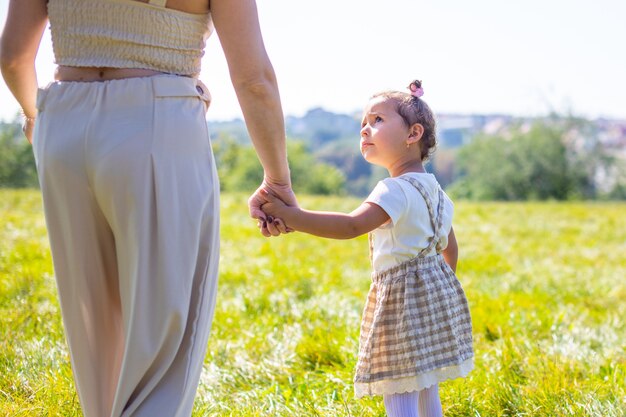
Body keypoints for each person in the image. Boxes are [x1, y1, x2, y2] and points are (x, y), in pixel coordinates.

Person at [0, 0, 295, 415]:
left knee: (96, 335)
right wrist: (277, 179)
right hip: (158, 117)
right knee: (165, 345)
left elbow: (13, 56)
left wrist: (37, 118)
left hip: (62, 122)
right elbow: (253, 78)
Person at [259, 80, 474, 417]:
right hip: (434, 298)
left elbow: (350, 226)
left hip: (401, 302)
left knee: (399, 384)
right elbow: (450, 247)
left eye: (377, 120)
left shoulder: (393, 190)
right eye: (363, 123)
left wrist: (293, 217)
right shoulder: (438, 192)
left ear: (413, 134)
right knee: (426, 383)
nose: (365, 130)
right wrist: (438, 288)